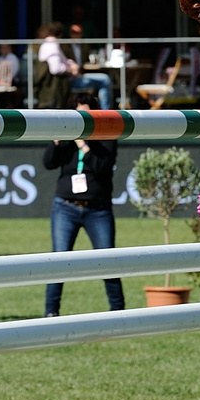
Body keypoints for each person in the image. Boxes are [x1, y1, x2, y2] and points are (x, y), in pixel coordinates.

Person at [40, 91, 124, 317]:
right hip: (65, 207)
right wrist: (57, 141)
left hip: (97, 208)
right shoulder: (67, 135)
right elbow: (48, 163)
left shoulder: (106, 135)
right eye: (78, 117)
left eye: (86, 116)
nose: (82, 122)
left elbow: (103, 167)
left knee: (108, 261)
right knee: (59, 260)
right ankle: (51, 313)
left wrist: (84, 145)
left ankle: (118, 312)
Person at [35, 22, 76, 108]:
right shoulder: (52, 46)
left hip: (55, 85)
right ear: (60, 34)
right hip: (55, 86)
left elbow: (62, 60)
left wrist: (71, 64)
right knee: (103, 80)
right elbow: (55, 69)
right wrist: (70, 70)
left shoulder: (49, 44)